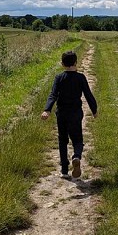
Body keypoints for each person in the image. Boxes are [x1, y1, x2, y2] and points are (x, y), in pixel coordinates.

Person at [41, 50, 98, 179]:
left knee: (62, 140)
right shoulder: (81, 78)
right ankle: (76, 156)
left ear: (62, 64)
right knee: (77, 139)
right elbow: (88, 95)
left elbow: (53, 95)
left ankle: (64, 170)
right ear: (76, 63)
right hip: (76, 114)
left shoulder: (59, 78)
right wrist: (94, 110)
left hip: (62, 114)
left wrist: (47, 110)